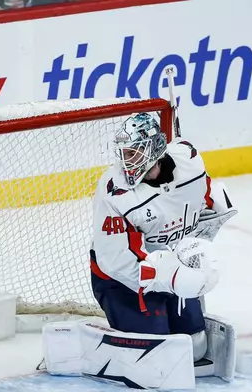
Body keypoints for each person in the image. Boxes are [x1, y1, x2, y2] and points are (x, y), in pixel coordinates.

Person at [89, 113, 236, 362]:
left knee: (195, 347)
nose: (127, 162)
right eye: (124, 153)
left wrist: (201, 242)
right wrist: (169, 277)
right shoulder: (115, 191)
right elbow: (114, 260)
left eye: (133, 153)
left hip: (171, 268)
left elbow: (207, 199)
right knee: (160, 353)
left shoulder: (190, 165)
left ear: (153, 148)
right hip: (123, 282)